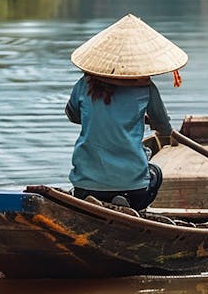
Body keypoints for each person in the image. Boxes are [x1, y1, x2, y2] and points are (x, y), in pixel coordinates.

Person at [65, 13, 188, 211]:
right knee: (155, 172)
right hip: (133, 187)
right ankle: (132, 206)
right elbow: (164, 129)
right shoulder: (145, 88)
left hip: (84, 185)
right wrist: (150, 120)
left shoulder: (84, 85)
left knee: (93, 185)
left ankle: (102, 201)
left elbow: (73, 115)